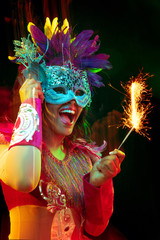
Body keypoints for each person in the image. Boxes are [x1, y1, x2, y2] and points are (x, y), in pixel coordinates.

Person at [0, 17, 125, 240]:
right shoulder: (6, 147)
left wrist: (96, 184)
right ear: (41, 90)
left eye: (79, 93)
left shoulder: (84, 158)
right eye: (59, 88)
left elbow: (94, 229)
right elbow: (23, 179)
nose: (73, 101)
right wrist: (29, 101)